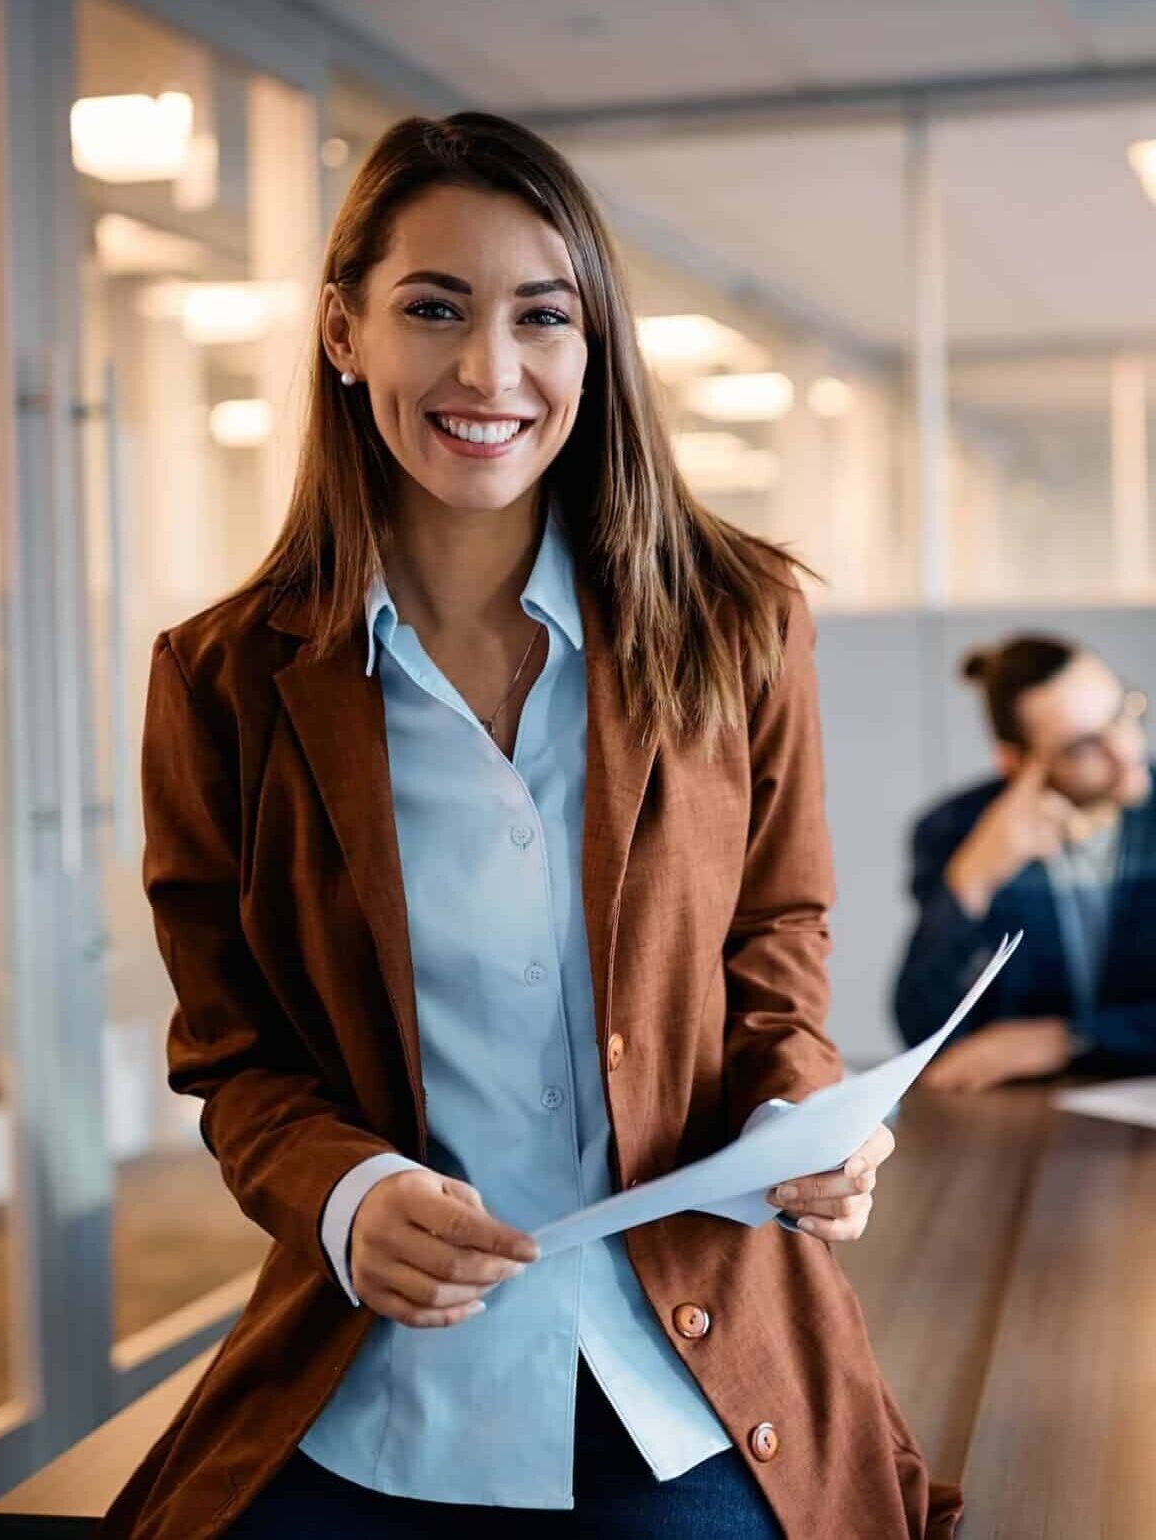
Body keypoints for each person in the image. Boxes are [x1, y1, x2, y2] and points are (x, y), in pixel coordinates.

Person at [109, 115, 953, 1540]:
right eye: (434, 309)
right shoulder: (224, 680)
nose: (489, 371)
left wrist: (797, 1115)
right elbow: (233, 1052)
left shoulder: (737, 623)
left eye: (541, 317)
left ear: (593, 344)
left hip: (677, 1370)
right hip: (380, 1391)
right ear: (343, 331)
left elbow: (775, 940)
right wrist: (345, 1195)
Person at [894, 635, 1156, 1092]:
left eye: (1122, 714)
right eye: (1083, 747)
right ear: (1016, 763)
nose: (1126, 751)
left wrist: (1064, 1040)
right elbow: (923, 1031)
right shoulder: (954, 830)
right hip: (1019, 1113)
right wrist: (973, 880)